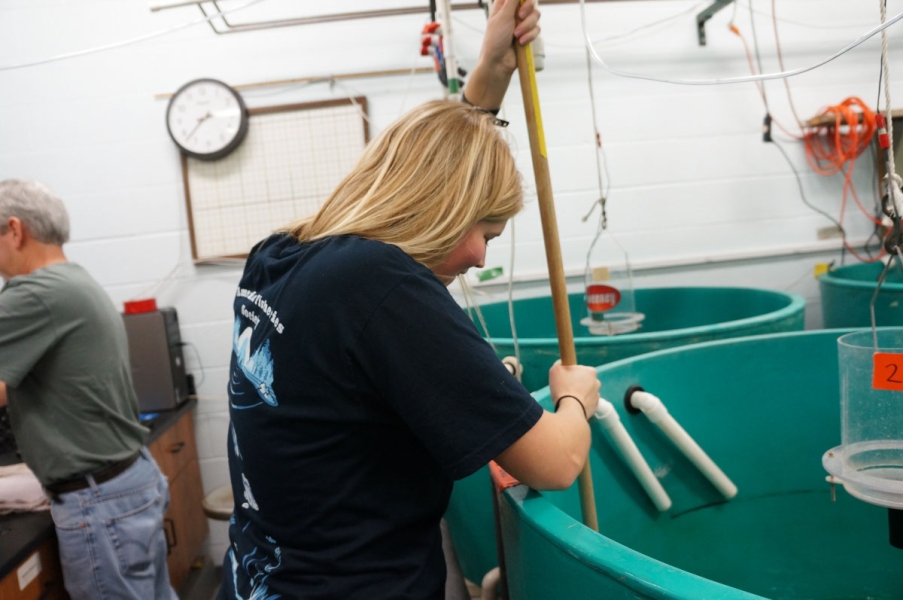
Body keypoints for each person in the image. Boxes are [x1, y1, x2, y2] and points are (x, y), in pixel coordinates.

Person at [219, 2, 601, 599]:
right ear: (441, 211)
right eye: (485, 231)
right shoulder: (382, 286)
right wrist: (574, 397)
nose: (480, 256)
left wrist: (491, 71)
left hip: (261, 579)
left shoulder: (284, 255)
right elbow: (554, 463)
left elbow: (427, 169)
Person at [0, 179, 177, 600]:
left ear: (15, 230)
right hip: (128, 483)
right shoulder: (73, 280)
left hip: (99, 503)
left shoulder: (34, 294)